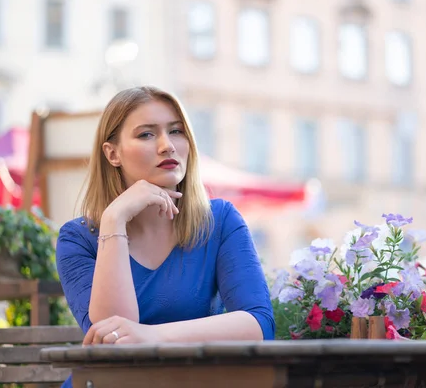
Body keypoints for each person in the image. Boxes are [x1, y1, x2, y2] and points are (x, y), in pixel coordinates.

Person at [55, 86, 275, 385]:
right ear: (113, 153)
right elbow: (113, 342)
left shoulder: (219, 221)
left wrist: (152, 336)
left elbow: (259, 323)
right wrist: (114, 220)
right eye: (146, 134)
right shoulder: (78, 239)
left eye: (176, 131)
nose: (167, 146)